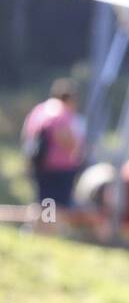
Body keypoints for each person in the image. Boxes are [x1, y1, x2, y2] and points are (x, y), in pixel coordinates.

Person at [21, 78, 85, 221]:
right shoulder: (61, 112)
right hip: (59, 167)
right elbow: (64, 137)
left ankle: (37, 228)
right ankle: (48, 231)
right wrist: (77, 150)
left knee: (43, 201)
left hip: (39, 164)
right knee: (56, 205)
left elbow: (26, 135)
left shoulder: (39, 110)